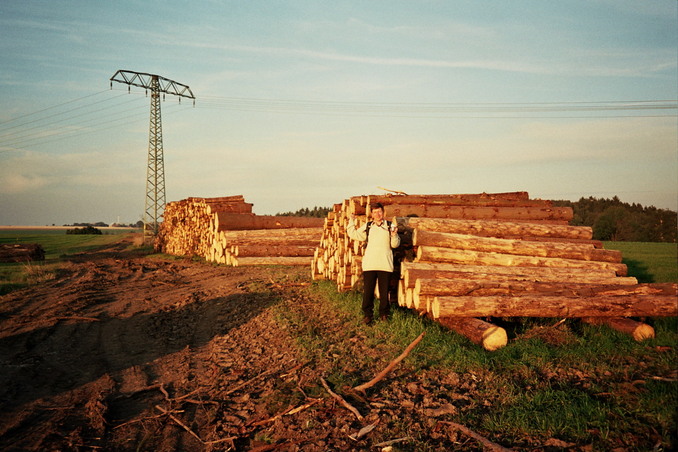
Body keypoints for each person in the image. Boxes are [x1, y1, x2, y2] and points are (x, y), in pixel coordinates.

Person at [346, 202, 400, 324]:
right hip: (370, 264)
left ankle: (384, 315)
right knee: (368, 292)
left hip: (385, 265)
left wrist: (394, 235)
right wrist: (351, 221)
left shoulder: (390, 226)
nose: (377, 214)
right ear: (372, 214)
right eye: (375, 212)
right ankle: (368, 316)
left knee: (384, 292)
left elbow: (395, 245)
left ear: (383, 212)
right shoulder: (368, 226)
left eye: (379, 212)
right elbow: (353, 234)